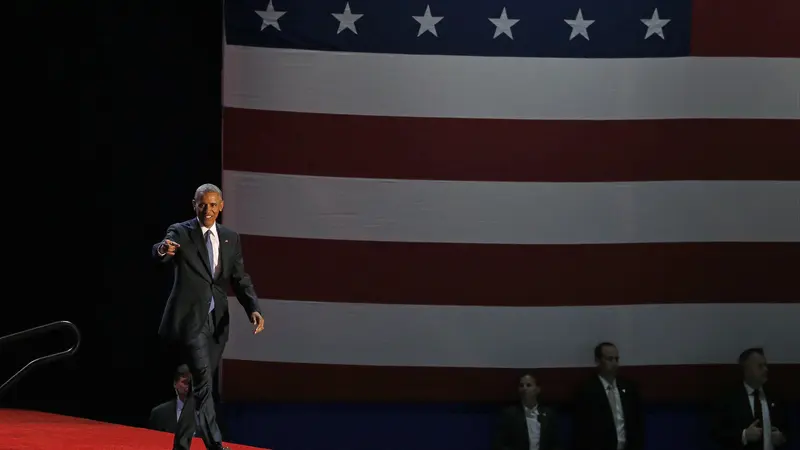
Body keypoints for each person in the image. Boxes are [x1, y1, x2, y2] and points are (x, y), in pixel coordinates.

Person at [153, 183, 265, 450]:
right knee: (203, 381)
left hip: (217, 324)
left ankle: (181, 445)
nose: (208, 210)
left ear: (221, 206)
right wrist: (162, 250)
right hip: (191, 321)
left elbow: (239, 278)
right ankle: (215, 445)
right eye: (203, 204)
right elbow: (162, 248)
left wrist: (253, 308)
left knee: (201, 386)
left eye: (213, 205)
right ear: (195, 205)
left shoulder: (230, 237)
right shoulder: (181, 231)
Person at [712, 348, 790, 450]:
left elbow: (789, 429)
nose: (766, 370)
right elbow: (717, 433)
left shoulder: (775, 396)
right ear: (746, 369)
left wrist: (782, 437)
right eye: (760, 366)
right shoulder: (729, 399)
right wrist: (744, 435)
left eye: (765, 365)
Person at [573, 342, 644, 450]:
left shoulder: (629, 388)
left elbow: (637, 425)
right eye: (610, 359)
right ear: (598, 361)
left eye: (617, 359)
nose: (615, 363)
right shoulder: (587, 391)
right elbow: (583, 431)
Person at [493, 372, 561, 450]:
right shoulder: (510, 414)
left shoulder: (549, 415)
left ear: (537, 389)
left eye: (528, 385)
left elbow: (556, 444)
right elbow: (500, 444)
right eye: (521, 386)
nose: (524, 388)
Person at [148, 364, 192, 433]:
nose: (190, 387)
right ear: (175, 383)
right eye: (186, 382)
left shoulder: (208, 414)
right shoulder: (159, 414)